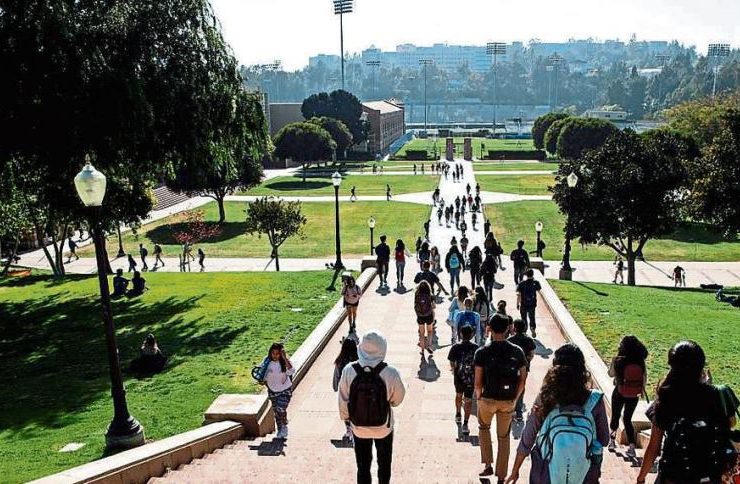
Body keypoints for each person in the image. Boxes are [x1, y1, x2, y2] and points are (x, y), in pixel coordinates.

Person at [507, 343, 609, 484]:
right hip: (584, 476)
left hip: (546, 474)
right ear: (582, 369)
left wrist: (515, 470)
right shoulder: (595, 400)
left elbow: (528, 437)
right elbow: (604, 440)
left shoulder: (546, 397)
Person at [636, 341, 736, 484]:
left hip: (674, 476)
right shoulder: (716, 394)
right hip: (710, 475)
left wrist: (641, 478)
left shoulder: (666, 398)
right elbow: (731, 424)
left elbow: (654, 447)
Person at [338, 330, 406, 484]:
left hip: (358, 426)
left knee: (362, 467)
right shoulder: (391, 372)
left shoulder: (349, 370)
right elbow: (398, 399)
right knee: (384, 465)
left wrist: (347, 419)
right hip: (383, 427)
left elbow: (343, 399)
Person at [475, 313, 528, 480]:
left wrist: (479, 397)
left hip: (487, 399)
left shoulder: (482, 352)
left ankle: (488, 464)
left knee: (484, 428)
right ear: (508, 329)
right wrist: (515, 399)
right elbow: (522, 380)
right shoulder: (517, 351)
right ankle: (501, 475)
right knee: (503, 437)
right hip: (508, 400)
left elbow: (477, 382)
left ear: (489, 328)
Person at [607, 335, 648, 458]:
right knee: (627, 419)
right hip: (634, 394)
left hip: (619, 392)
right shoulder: (640, 361)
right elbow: (644, 378)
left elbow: (611, 374)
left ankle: (612, 441)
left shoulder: (618, 360)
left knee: (615, 415)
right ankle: (631, 446)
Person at [448, 325, 478, 435]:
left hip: (459, 376)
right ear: (472, 335)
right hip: (471, 378)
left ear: (461, 334)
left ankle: (458, 413)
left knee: (458, 395)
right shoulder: (476, 348)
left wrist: (454, 370)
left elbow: (452, 362)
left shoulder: (456, 347)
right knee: (468, 400)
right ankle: (465, 423)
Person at [263, 343, 295, 440]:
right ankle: (280, 429)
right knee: (276, 412)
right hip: (272, 391)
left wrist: (285, 358)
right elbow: (262, 374)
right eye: (273, 353)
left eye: (278, 353)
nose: (275, 355)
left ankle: (284, 425)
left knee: (280, 409)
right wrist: (262, 381)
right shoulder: (267, 362)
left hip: (285, 390)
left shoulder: (284, 362)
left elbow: (291, 370)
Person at [507, 318, 536, 420]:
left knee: (511, 387)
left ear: (514, 328)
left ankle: (512, 410)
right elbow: (531, 354)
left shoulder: (510, 340)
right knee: (521, 387)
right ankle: (519, 412)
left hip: (512, 369)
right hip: (524, 369)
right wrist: (526, 363)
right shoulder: (529, 340)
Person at [333, 338, 359, 442]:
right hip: (356, 389)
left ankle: (349, 429)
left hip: (344, 390)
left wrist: (336, 387)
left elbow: (336, 376)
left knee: (346, 410)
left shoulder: (339, 361)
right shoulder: (358, 360)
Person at [516, 269, 542, 338]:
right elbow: (539, 291)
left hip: (523, 304)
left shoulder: (522, 283)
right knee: (532, 317)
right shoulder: (536, 282)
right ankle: (532, 328)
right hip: (532, 304)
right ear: (533, 274)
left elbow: (518, 295)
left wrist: (517, 304)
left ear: (526, 275)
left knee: (523, 318)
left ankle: (524, 330)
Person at [414, 280, 436, 354]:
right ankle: (429, 346)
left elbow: (415, 305)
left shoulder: (417, 295)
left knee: (422, 334)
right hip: (429, 315)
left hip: (420, 316)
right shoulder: (430, 295)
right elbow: (434, 306)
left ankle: (422, 350)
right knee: (429, 331)